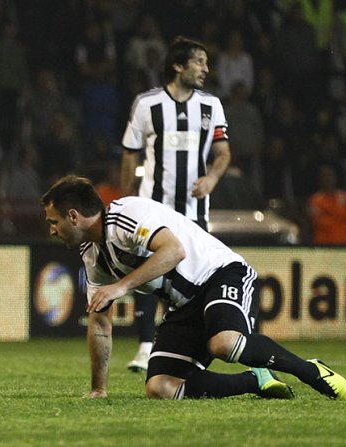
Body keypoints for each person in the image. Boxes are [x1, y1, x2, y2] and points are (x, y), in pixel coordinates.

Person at [41, 175, 346, 401]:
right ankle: (254, 381)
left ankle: (311, 371)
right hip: (184, 305)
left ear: (74, 216)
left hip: (223, 275)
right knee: (161, 388)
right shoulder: (92, 253)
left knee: (225, 344)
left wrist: (120, 287)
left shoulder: (126, 215)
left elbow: (173, 251)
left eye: (54, 221)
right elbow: (99, 321)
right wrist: (99, 389)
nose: (52, 230)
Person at [120, 36, 232, 372]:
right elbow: (130, 153)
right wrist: (125, 202)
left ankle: (187, 350)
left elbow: (224, 153)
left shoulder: (211, 106)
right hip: (152, 208)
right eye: (199, 62)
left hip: (194, 212)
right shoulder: (147, 104)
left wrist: (211, 179)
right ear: (178, 66)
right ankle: (143, 347)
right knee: (146, 278)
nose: (206, 69)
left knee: (195, 283)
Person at [308, 164, 346, 245]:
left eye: (329, 175)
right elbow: (320, 223)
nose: (327, 179)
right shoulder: (314, 200)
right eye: (324, 176)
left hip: (345, 245)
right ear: (319, 179)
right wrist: (341, 213)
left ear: (335, 177)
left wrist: (329, 213)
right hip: (323, 246)